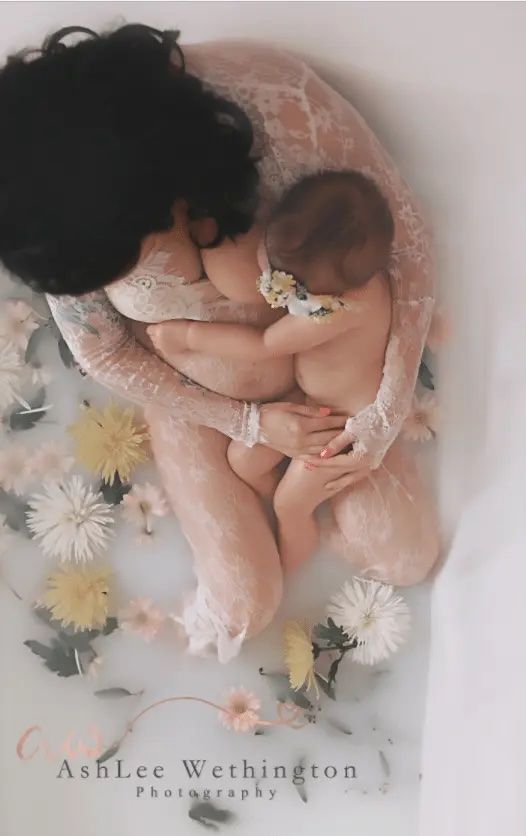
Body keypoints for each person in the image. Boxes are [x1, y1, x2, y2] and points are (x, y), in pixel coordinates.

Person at [0, 25, 439, 661]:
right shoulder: (48, 210)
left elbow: (406, 244)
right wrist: (249, 423)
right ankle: (271, 508)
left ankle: (291, 510)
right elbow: (101, 351)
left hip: (328, 371)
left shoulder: (274, 104)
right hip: (198, 391)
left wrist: (385, 406)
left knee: (403, 556)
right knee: (243, 605)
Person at [148, 169, 400, 574]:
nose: (271, 282)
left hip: (341, 430)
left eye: (295, 290)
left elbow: (264, 345)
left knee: (290, 505)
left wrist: (188, 335)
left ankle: (291, 563)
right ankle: (283, 506)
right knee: (242, 461)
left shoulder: (336, 311)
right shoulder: (348, 276)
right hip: (315, 406)